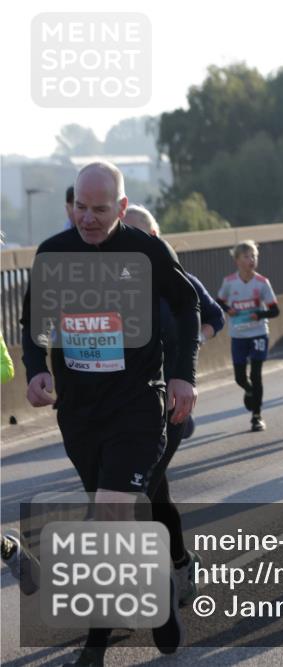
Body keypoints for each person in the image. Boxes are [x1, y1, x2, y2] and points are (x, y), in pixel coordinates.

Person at [18, 160, 197, 664]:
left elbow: (188, 307)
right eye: (80, 206)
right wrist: (36, 369)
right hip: (79, 413)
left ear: (121, 207)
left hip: (138, 405)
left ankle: (96, 638)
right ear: (71, 203)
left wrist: (184, 374)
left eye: (100, 209)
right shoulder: (53, 253)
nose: (88, 218)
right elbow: (36, 321)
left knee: (109, 514)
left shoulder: (146, 250)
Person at [123, 204, 224, 607]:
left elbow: (214, 315)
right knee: (155, 497)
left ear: (156, 238)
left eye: (141, 236)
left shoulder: (177, 278)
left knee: (135, 492)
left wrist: (187, 345)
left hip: (168, 403)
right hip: (123, 405)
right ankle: (182, 562)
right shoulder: (110, 279)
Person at [218, 240, 280, 431]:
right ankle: (249, 390)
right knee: (239, 377)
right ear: (237, 260)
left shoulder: (262, 283)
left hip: (258, 333)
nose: (251, 260)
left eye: (254, 256)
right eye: (246, 256)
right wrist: (228, 309)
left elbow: (275, 310)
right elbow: (218, 302)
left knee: (256, 373)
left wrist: (259, 314)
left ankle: (257, 416)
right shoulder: (229, 282)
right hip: (238, 334)